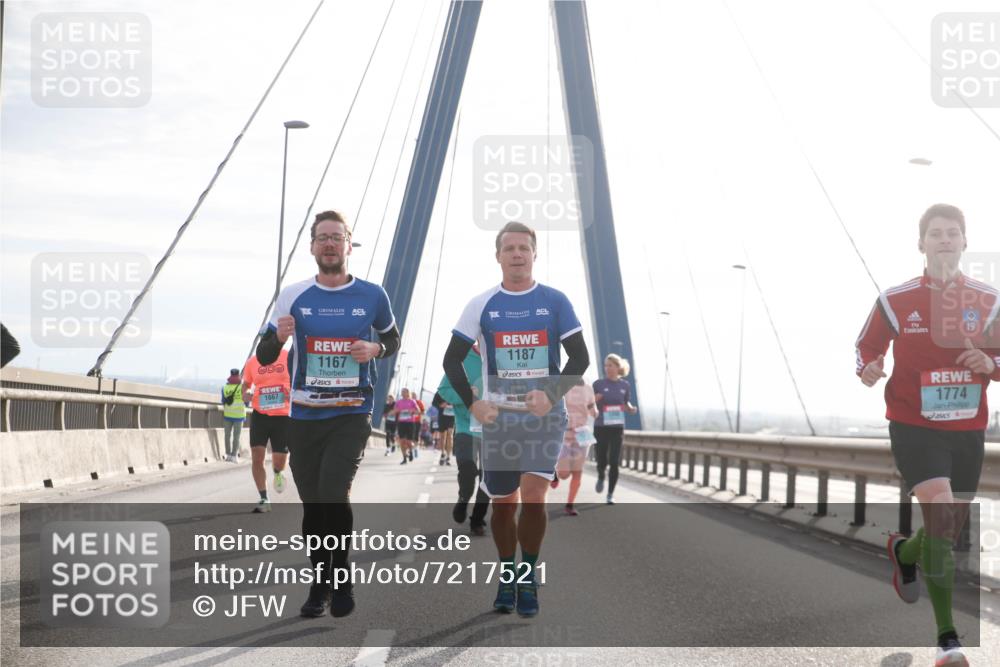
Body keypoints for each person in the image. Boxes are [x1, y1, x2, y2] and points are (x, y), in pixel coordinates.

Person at [856, 203, 1000, 667]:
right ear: (921, 244)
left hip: (967, 430)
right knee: (940, 513)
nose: (944, 240)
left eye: (952, 232)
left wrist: (990, 363)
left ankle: (905, 551)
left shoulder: (989, 300)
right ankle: (947, 640)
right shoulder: (895, 300)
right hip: (914, 426)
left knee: (945, 531)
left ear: (964, 242)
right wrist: (869, 368)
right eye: (935, 233)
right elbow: (866, 348)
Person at [256, 210, 399, 619]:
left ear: (349, 245)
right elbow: (264, 356)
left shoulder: (373, 295)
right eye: (323, 238)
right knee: (314, 507)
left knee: (334, 493)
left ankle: (341, 579)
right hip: (304, 416)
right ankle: (320, 582)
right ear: (312, 247)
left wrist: (376, 349)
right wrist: (278, 337)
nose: (330, 244)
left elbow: (391, 339)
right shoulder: (293, 295)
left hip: (352, 412)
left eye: (337, 237)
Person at [443, 221, 589, 617]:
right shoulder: (481, 304)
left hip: (544, 418)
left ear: (534, 254)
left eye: (524, 247)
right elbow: (451, 360)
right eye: (509, 248)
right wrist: (474, 403)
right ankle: (507, 572)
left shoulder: (555, 301)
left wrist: (551, 394)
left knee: (534, 495)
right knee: (504, 505)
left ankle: (527, 577)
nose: (517, 254)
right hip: (499, 421)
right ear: (498, 256)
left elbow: (580, 357)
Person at [436, 344, 490, 535]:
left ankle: (477, 519)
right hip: (467, 426)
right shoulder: (462, 357)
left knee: (488, 477)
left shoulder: (501, 358)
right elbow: (443, 389)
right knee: (468, 468)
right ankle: (463, 498)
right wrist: (466, 394)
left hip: (493, 429)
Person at [242, 348, 291, 513]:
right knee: (257, 456)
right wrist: (245, 393)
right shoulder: (252, 362)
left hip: (283, 416)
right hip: (260, 414)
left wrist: (293, 393)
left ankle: (278, 473)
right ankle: (264, 498)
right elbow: (246, 384)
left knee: (279, 461)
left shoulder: (288, 356)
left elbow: (300, 378)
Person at [592, 353, 638, 504]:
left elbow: (626, 402)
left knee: (614, 461)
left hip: (617, 428)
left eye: (610, 365)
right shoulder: (598, 384)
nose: (607, 368)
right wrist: (594, 400)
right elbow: (588, 404)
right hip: (601, 427)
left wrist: (630, 408)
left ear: (618, 367)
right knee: (602, 460)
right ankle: (601, 475)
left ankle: (610, 494)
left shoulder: (625, 385)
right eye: (606, 365)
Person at [551, 377, 598, 515]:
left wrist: (595, 411)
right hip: (564, 435)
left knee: (578, 471)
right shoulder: (563, 386)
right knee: (564, 474)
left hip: (582, 434)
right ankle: (556, 474)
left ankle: (570, 505)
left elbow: (592, 408)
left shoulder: (588, 389)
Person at [221, 368, 248, 462]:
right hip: (239, 416)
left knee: (227, 436)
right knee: (236, 436)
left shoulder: (225, 388)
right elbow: (247, 403)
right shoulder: (243, 388)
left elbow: (223, 401)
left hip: (227, 415)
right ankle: (234, 456)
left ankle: (228, 455)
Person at [393, 388, 421, 464]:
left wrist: (412, 410)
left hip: (410, 423)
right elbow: (394, 411)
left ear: (408, 393)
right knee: (402, 441)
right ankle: (404, 458)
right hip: (401, 423)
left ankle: (411, 451)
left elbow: (418, 411)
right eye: (402, 392)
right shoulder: (398, 402)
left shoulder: (412, 401)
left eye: (405, 392)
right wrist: (397, 410)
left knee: (408, 441)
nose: (403, 393)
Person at [433, 390, 456, 466]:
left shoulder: (455, 390)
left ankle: (448, 456)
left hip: (452, 417)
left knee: (450, 435)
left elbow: (460, 401)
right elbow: (434, 403)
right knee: (442, 436)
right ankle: (443, 453)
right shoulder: (440, 391)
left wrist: (454, 404)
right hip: (442, 416)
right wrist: (440, 405)